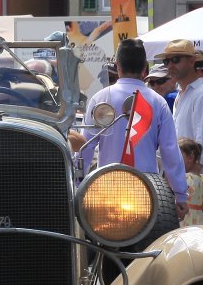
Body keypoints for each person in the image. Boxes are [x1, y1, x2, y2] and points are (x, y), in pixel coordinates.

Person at [77, 39, 188, 217]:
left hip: (108, 188)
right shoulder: (158, 102)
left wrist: (78, 185)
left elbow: (85, 146)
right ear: (145, 68)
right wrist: (180, 194)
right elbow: (170, 150)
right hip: (146, 190)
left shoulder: (100, 98)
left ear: (117, 65)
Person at [164, 39, 203, 177]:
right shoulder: (182, 94)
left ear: (191, 61)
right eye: (167, 61)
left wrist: (192, 181)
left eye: (175, 59)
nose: (170, 65)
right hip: (181, 177)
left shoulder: (202, 95)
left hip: (193, 181)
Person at [178, 137, 203, 226]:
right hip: (199, 221)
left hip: (184, 220)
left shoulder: (183, 178)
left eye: (177, 157)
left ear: (190, 158)